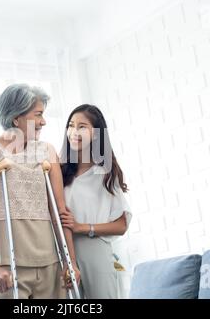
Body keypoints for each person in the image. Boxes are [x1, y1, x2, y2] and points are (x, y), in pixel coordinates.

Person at [0, 84, 80, 299]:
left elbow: (59, 211)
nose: (43, 121)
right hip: (5, 264)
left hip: (48, 260)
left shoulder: (47, 151)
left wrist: (70, 262)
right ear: (16, 118)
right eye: (38, 115)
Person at [59, 104, 132, 299]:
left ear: (97, 134)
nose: (74, 132)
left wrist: (82, 227)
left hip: (94, 250)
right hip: (62, 252)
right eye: (71, 125)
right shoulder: (58, 171)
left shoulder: (105, 174)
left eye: (82, 126)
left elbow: (122, 224)